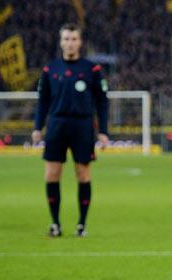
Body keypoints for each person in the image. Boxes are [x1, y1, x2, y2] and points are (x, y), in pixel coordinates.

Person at [32, 23, 109, 238]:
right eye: (66, 39)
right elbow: (42, 101)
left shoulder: (92, 69)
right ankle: (55, 224)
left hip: (83, 125)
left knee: (83, 174)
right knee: (52, 174)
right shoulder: (50, 69)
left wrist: (103, 130)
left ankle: (81, 225)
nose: (70, 43)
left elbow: (102, 102)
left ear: (80, 42)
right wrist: (38, 126)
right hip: (56, 125)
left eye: (74, 39)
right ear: (61, 41)